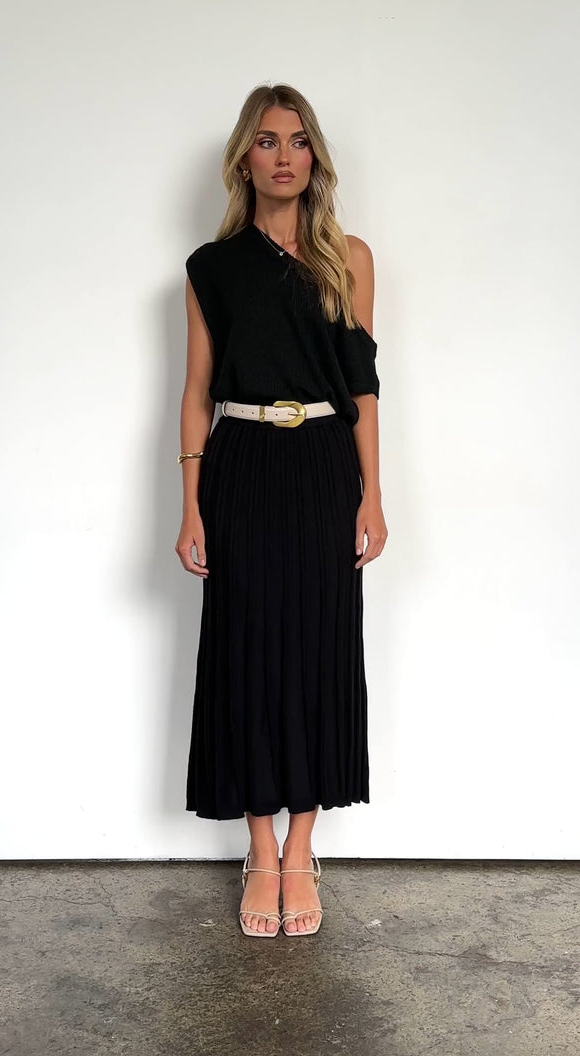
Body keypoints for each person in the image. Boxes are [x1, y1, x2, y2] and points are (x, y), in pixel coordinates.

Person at [174, 83, 387, 938]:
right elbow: (196, 392)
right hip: (243, 465)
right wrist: (190, 504)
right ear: (244, 160)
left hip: (324, 466)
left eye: (298, 141)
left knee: (317, 651)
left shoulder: (349, 257)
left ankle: (303, 850)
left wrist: (373, 494)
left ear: (315, 157)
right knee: (248, 651)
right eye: (267, 141)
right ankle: (259, 851)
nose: (284, 156)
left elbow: (364, 388)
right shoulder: (211, 267)